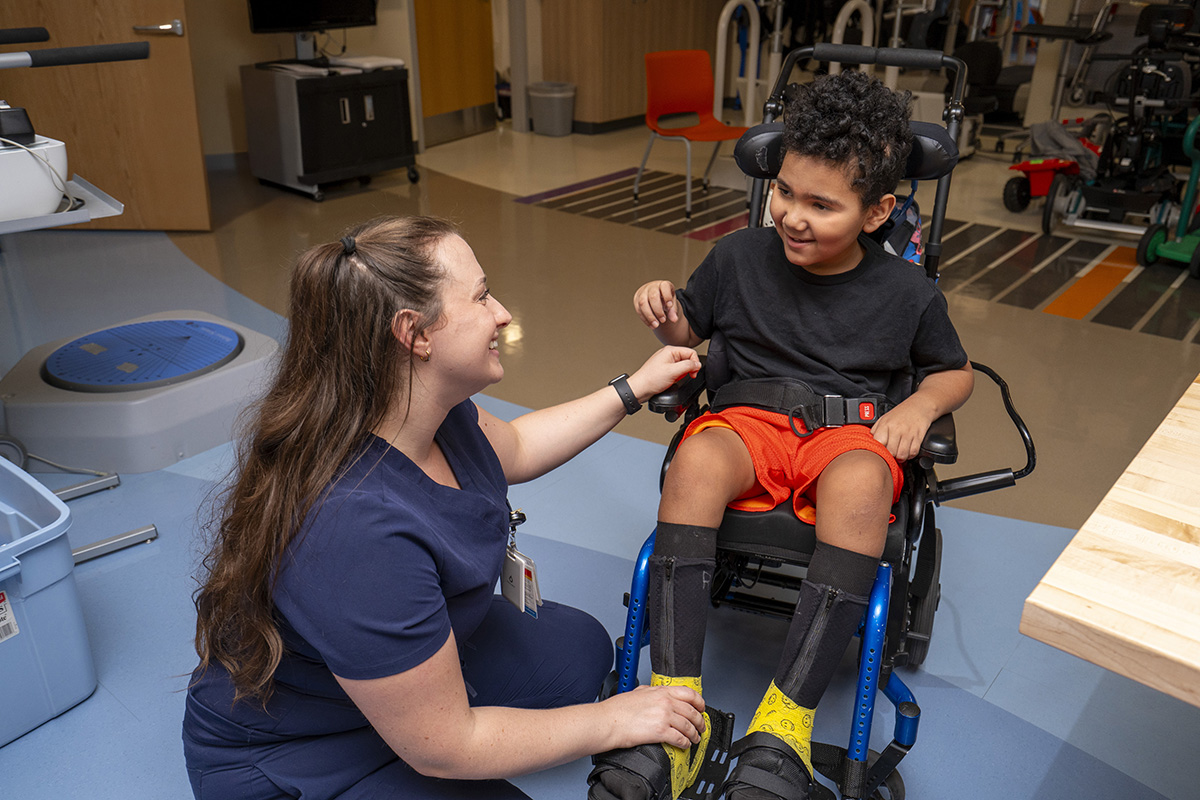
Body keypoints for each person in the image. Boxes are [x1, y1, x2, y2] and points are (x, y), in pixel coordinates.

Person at [182, 215, 708, 800]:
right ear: (415, 333)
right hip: (300, 748)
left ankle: (410, 706)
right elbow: (447, 745)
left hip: (395, 674)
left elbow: (521, 446)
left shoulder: (429, 409)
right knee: (460, 747)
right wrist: (617, 720)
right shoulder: (354, 526)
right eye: (481, 296)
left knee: (582, 653)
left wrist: (632, 389)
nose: (503, 312)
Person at [587, 71, 974, 800]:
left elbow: (954, 374)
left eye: (821, 205)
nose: (794, 216)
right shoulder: (738, 257)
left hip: (848, 435)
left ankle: (786, 724)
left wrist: (920, 407)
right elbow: (690, 331)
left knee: (863, 481)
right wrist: (665, 312)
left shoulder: (909, 293)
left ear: (877, 211)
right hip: (747, 424)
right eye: (785, 193)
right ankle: (672, 711)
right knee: (696, 455)